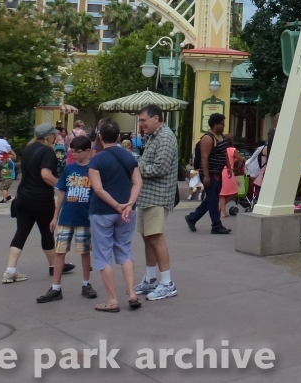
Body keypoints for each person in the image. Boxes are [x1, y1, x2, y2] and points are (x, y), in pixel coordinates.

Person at [88, 118, 142, 311]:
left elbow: (98, 189)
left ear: (100, 137)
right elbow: (137, 182)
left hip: (102, 212)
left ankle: (112, 300)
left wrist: (116, 205)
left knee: (103, 255)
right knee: (125, 250)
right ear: (119, 136)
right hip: (128, 212)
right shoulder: (129, 156)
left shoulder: (96, 160)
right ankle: (132, 294)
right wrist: (129, 204)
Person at [37, 135, 97, 303]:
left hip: (84, 218)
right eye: (71, 151)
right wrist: (55, 216)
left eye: (76, 152)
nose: (73, 154)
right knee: (60, 251)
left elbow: (97, 194)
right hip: (66, 217)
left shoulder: (93, 170)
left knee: (85, 252)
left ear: (87, 151)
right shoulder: (69, 169)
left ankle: (86, 283)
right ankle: (56, 287)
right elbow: (61, 192)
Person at [2, 124, 65, 283]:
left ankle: (10, 270)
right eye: (54, 135)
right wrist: (60, 185)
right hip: (41, 199)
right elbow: (46, 175)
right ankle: (54, 266)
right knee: (47, 232)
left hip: (23, 197)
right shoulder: (48, 151)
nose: (55, 137)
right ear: (49, 136)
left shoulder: (28, 149)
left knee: (21, 233)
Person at [133, 104, 180, 301]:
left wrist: (136, 169)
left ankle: (167, 283)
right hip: (147, 196)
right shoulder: (154, 136)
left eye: (144, 120)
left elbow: (160, 168)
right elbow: (148, 162)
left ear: (156, 118)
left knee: (156, 237)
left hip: (158, 196)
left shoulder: (166, 137)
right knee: (148, 237)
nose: (141, 124)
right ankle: (151, 279)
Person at [186, 113, 231, 234]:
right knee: (213, 199)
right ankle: (216, 225)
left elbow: (224, 153)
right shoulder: (208, 138)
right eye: (222, 123)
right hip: (210, 173)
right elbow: (204, 157)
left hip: (218, 172)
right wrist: (205, 175)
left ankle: (192, 218)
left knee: (211, 198)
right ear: (215, 124)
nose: (224, 125)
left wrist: (229, 167)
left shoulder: (221, 137)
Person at [219, 143, 246, 218]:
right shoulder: (232, 150)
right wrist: (243, 159)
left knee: (222, 193)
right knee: (234, 191)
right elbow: (240, 159)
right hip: (228, 172)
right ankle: (221, 209)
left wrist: (234, 160)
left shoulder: (222, 149)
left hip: (221, 171)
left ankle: (222, 210)